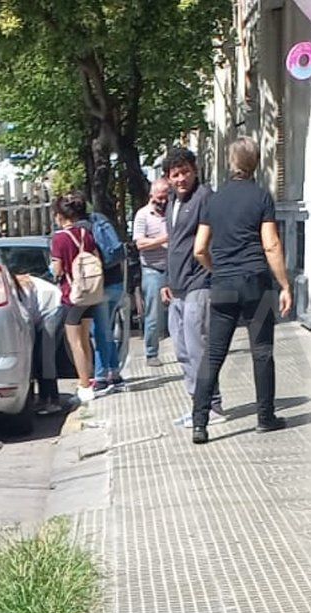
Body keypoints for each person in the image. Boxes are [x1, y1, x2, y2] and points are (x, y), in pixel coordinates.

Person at [190, 138, 293, 445]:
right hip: (255, 283)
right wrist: (285, 284)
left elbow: (198, 249)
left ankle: (199, 424)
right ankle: (265, 418)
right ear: (255, 163)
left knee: (213, 354)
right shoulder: (261, 197)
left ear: (231, 162)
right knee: (262, 352)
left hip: (222, 284)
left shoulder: (214, 200)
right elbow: (271, 244)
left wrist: (216, 269)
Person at [162, 148, 224, 428]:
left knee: (199, 345)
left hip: (199, 282)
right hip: (176, 285)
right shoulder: (171, 201)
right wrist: (166, 280)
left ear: (195, 171)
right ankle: (196, 402)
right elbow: (173, 244)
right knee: (182, 348)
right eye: (175, 174)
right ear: (168, 178)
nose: (181, 178)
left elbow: (208, 242)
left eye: (185, 172)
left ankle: (212, 404)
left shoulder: (205, 198)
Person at [50, 192, 101, 405]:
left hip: (72, 295)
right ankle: (90, 379)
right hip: (90, 292)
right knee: (86, 339)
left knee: (75, 342)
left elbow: (57, 270)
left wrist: (54, 268)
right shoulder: (85, 234)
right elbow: (97, 257)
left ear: (60, 215)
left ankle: (84, 385)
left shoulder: (59, 238)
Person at [133, 178, 171, 367]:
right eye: (160, 198)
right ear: (151, 196)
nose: (163, 202)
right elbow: (140, 243)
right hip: (152, 270)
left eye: (166, 197)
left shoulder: (171, 212)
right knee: (153, 314)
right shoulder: (142, 215)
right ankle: (151, 353)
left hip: (172, 268)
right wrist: (164, 239)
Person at [87, 211, 126, 395]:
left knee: (100, 332)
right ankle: (115, 373)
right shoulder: (101, 219)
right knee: (106, 329)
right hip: (116, 283)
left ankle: (101, 377)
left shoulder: (82, 229)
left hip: (100, 286)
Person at [17, 272, 66, 416]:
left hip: (53, 308)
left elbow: (26, 319)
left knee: (45, 356)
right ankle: (43, 399)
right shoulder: (16, 286)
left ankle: (53, 400)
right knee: (38, 356)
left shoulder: (21, 290)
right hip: (42, 312)